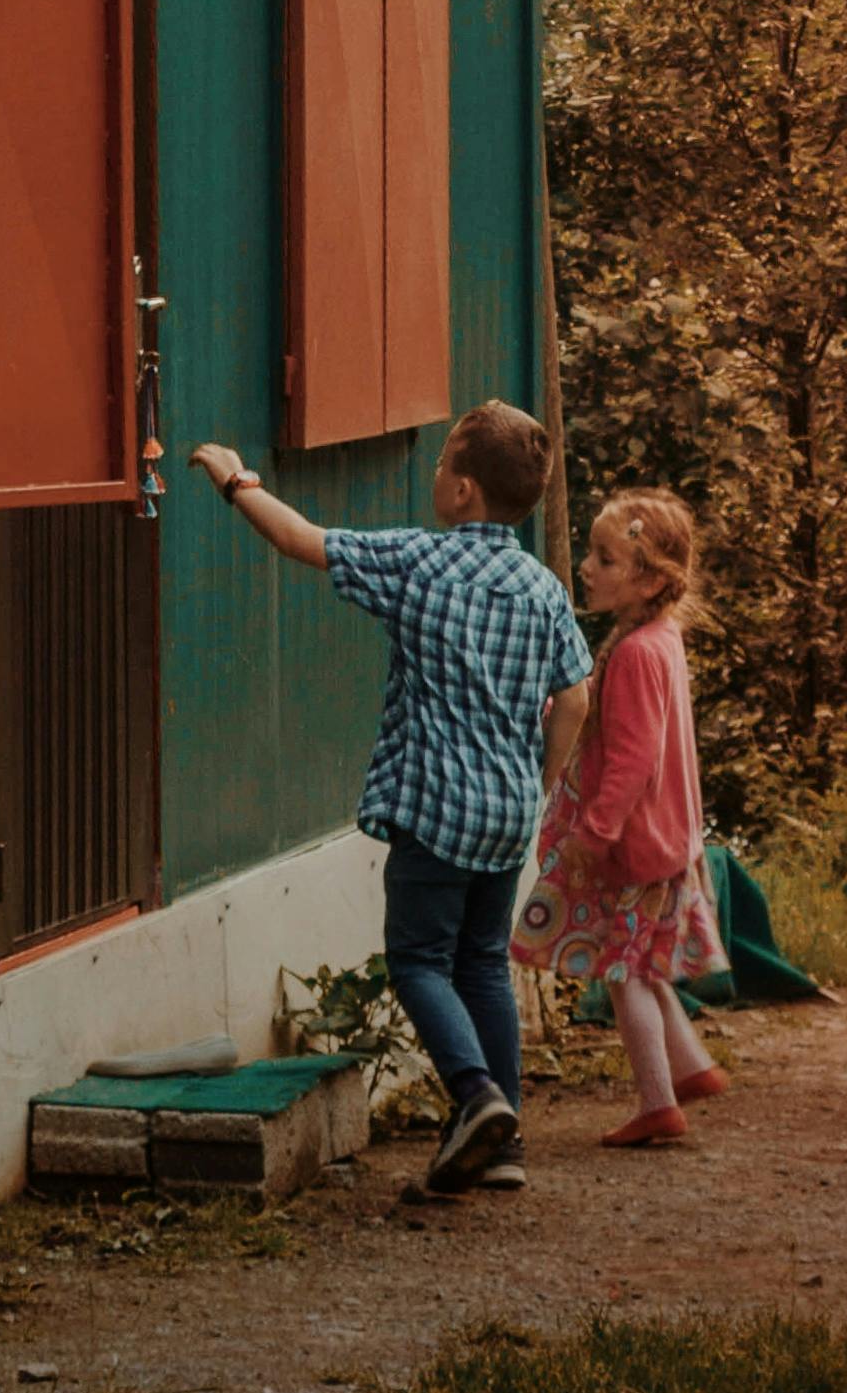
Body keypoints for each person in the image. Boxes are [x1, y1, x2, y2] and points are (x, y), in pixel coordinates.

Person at [188, 403, 591, 1197]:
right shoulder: (542, 588)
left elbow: (301, 540)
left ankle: (476, 1097)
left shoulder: (419, 562)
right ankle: (503, 1141)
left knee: (416, 962)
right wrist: (540, 782)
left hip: (437, 811)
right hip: (508, 813)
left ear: (464, 491)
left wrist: (235, 478)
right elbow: (575, 695)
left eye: (443, 464)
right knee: (480, 964)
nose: (434, 475)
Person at [513, 490, 724, 1148]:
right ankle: (689, 1067)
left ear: (650, 579)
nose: (586, 567)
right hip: (669, 837)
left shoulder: (633, 654)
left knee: (625, 971)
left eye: (605, 559)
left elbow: (631, 761)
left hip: (633, 841)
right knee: (644, 960)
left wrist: (594, 833)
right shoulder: (657, 639)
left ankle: (658, 1103)